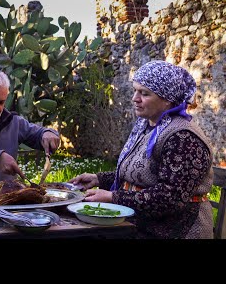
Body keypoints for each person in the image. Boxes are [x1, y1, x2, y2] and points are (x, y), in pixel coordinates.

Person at [69, 60, 213, 239]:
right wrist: (98, 179)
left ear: (167, 99)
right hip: (139, 222)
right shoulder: (148, 126)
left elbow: (170, 197)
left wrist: (114, 197)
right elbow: (142, 173)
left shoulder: (184, 137)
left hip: (175, 229)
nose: (135, 98)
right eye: (135, 91)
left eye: (144, 93)